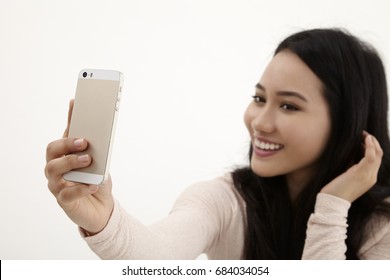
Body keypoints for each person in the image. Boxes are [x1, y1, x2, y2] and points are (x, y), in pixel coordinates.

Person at [45, 28, 390, 259]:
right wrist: (103, 219)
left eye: (288, 105)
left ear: (348, 123)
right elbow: (154, 253)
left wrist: (332, 206)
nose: (259, 121)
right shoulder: (226, 200)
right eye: (259, 98)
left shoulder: (381, 227)